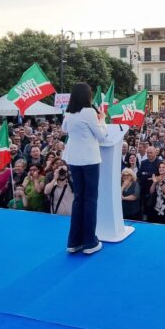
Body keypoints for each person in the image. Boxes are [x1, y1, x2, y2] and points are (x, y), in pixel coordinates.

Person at [61, 82, 107, 255]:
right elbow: (101, 136)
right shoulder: (89, 112)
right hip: (89, 159)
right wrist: (101, 118)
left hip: (73, 159)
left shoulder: (69, 112)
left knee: (78, 199)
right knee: (90, 199)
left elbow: (64, 129)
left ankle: (74, 242)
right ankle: (89, 242)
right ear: (87, 95)